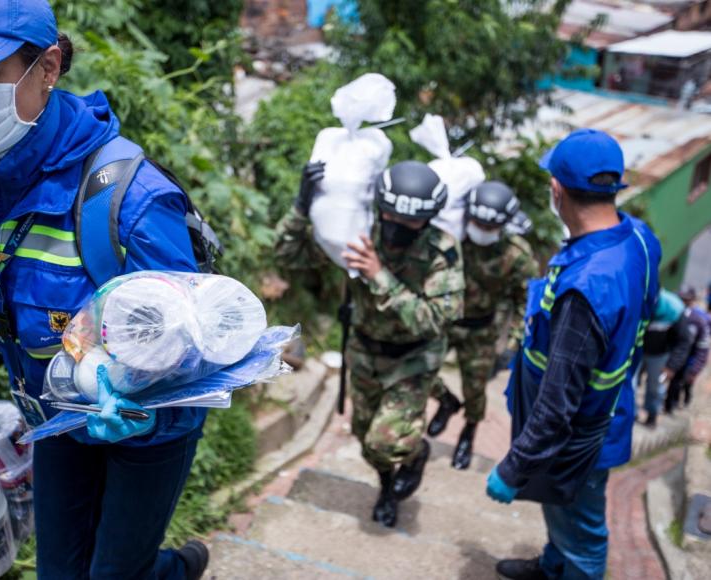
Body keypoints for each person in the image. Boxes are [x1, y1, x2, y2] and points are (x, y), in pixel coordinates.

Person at [0, 2, 209, 577]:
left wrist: (145, 402)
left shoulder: (127, 202)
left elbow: (199, 351)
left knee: (116, 572)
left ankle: (177, 567)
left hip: (142, 429)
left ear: (48, 67)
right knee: (60, 570)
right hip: (55, 417)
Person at [487, 129, 661, 580]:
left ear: (556, 189)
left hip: (577, 436)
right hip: (606, 409)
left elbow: (557, 403)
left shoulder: (586, 291)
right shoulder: (639, 238)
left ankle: (569, 567)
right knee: (564, 512)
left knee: (583, 531)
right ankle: (552, 565)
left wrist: (512, 467)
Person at [275, 160, 465, 527]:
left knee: (387, 441)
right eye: (390, 217)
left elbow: (436, 319)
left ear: (426, 220)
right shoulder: (358, 231)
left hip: (413, 357)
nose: (397, 229)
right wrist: (302, 207)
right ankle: (387, 483)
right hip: (364, 351)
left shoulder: (442, 251)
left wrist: (380, 277)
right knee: (366, 439)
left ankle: (414, 452)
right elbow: (288, 254)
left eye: (409, 223)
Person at [426, 182, 538, 470]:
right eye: (477, 223)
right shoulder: (452, 235)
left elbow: (526, 302)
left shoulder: (516, 255)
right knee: (417, 368)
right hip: (444, 322)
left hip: (481, 330)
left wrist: (511, 345)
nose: (481, 230)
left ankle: (468, 434)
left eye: (489, 227)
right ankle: (446, 401)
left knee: (474, 390)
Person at [641, 289, 690, 427]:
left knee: (655, 386)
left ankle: (652, 415)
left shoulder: (674, 308)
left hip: (660, 354)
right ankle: (628, 415)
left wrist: (671, 366)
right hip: (638, 350)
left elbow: (684, 341)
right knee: (629, 383)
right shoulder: (640, 299)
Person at [664, 286, 709, 413]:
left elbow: (703, 348)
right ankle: (666, 404)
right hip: (671, 355)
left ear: (692, 300)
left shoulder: (699, 320)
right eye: (680, 298)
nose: (682, 302)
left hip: (688, 360)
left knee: (679, 383)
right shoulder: (672, 313)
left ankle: (673, 405)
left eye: (685, 299)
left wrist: (695, 369)